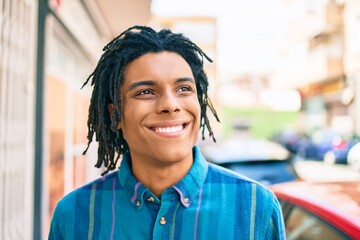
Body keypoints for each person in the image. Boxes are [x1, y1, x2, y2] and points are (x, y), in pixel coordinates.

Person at [49, 26, 285, 240]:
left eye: (183, 89)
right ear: (115, 115)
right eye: (146, 92)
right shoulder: (73, 216)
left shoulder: (257, 208)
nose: (170, 105)